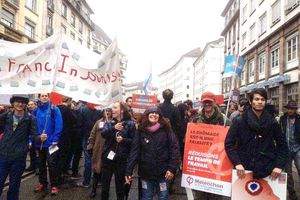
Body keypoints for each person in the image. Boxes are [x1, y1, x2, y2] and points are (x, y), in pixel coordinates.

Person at [225, 88, 289, 181]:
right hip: (244, 170)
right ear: (251, 102)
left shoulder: (272, 122)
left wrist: (279, 166)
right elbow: (229, 144)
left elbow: (283, 146)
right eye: (256, 99)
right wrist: (237, 163)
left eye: (262, 100)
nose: (260, 102)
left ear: (265, 102)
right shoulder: (239, 121)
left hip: (267, 170)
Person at [125, 106, 179, 200]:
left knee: (163, 197)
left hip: (163, 173)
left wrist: (171, 168)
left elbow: (174, 149)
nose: (154, 114)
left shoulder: (167, 130)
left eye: (157, 113)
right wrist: (128, 171)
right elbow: (134, 151)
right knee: (146, 197)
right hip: (146, 173)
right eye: (152, 112)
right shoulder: (140, 131)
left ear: (160, 116)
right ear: (147, 115)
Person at [0, 94, 44, 200]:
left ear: (25, 104)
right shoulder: (6, 116)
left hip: (18, 158)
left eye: (22, 102)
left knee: (14, 187)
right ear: (13, 103)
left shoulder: (30, 118)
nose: (20, 104)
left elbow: (34, 136)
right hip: (3, 156)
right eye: (17, 101)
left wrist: (40, 138)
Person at [193, 91, 231, 199]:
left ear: (214, 102)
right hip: (202, 163)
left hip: (218, 162)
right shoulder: (196, 120)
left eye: (209, 102)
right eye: (205, 102)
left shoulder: (224, 121)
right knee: (200, 195)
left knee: (217, 194)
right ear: (202, 103)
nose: (207, 104)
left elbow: (232, 140)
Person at [101, 102, 136, 200]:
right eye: (112, 107)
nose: (112, 109)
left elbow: (134, 142)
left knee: (120, 188)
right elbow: (103, 134)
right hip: (108, 158)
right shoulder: (109, 122)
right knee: (105, 187)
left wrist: (123, 140)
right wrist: (113, 128)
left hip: (121, 160)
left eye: (115, 107)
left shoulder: (130, 124)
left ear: (122, 110)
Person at [33, 93, 63, 195]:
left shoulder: (54, 109)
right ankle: (42, 183)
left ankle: (54, 185)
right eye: (42, 96)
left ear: (49, 97)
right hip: (39, 143)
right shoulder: (35, 110)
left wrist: (55, 139)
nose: (44, 97)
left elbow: (59, 125)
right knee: (40, 164)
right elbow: (32, 127)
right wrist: (33, 139)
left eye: (46, 96)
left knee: (52, 164)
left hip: (51, 143)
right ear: (39, 97)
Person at [87, 108, 112, 198]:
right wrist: (90, 144)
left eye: (109, 111)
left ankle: (105, 193)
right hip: (98, 150)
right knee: (96, 171)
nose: (107, 113)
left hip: (108, 151)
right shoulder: (98, 122)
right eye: (106, 111)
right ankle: (93, 190)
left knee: (105, 173)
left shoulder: (114, 123)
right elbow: (92, 134)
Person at [77, 102, 102, 187]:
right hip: (98, 137)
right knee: (99, 157)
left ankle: (86, 182)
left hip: (86, 136)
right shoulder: (100, 109)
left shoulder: (82, 109)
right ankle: (99, 180)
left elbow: (79, 124)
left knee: (88, 159)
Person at [279, 100, 300, 200]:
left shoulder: (299, 119)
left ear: (295, 110)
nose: (290, 110)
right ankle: (292, 194)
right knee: (288, 173)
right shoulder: (282, 119)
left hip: (297, 149)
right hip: (286, 150)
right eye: (289, 109)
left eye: (292, 109)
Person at [57, 96, 77, 183]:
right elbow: (74, 120)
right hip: (65, 136)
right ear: (69, 101)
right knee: (63, 157)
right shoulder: (67, 110)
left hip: (57, 136)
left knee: (57, 157)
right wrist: (72, 110)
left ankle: (56, 175)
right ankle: (60, 176)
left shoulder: (57, 108)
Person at [25, 100, 38, 173]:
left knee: (37, 152)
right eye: (29, 105)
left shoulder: (36, 113)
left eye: (31, 104)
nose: (30, 106)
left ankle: (37, 167)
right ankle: (33, 166)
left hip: (35, 135)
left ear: (35, 105)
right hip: (29, 135)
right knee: (32, 152)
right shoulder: (27, 113)